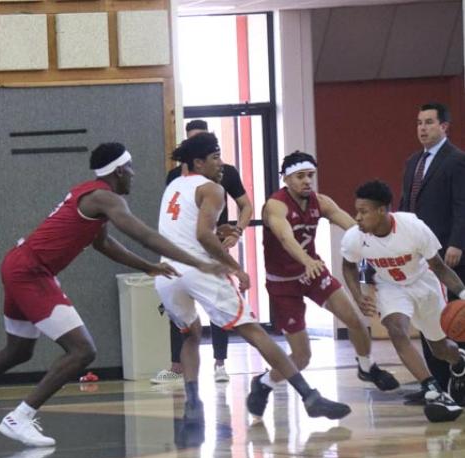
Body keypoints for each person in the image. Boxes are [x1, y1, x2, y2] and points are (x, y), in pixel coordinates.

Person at [0, 142, 224, 447]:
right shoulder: (105, 198)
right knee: (82, 350)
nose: (134, 174)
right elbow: (145, 234)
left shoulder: (91, 196)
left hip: (19, 264)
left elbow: (103, 244)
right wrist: (196, 261)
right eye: (130, 169)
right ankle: (19, 417)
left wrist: (147, 267)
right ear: (118, 171)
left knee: (19, 351)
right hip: (30, 272)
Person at [155, 132, 352, 424]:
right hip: (198, 269)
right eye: (215, 157)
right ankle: (308, 396)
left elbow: (185, 228)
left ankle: (193, 402)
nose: (221, 163)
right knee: (255, 332)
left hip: (167, 274)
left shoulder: (174, 185)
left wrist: (218, 235)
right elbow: (202, 235)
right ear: (198, 162)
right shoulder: (212, 189)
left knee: (191, 335)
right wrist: (235, 268)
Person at [246, 151, 399, 419]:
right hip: (284, 283)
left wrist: (376, 244)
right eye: (300, 176)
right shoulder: (275, 205)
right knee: (302, 357)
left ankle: (366, 366)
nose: (307, 181)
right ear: (286, 179)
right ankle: (263, 383)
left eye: (310, 176)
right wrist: (306, 259)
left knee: (354, 319)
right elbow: (285, 237)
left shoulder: (321, 201)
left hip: (313, 273)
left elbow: (352, 226)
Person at [342, 180, 465, 422]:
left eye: (363, 212)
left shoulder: (413, 227)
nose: (357, 217)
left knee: (441, 349)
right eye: (357, 211)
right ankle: (432, 389)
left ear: (381, 210)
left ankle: (460, 362)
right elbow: (348, 266)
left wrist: (462, 295)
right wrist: (358, 296)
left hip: (425, 282)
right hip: (391, 286)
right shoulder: (355, 237)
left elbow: (439, 267)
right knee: (396, 330)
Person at [151, 119, 253, 384]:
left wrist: (236, 232)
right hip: (186, 251)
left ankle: (220, 363)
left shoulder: (225, 173)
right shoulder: (176, 178)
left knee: (221, 310)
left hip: (212, 247)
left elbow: (246, 206)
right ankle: (178, 367)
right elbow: (182, 218)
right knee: (185, 321)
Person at [400, 102, 465, 397]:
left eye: (428, 122)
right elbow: (406, 207)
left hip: (448, 256)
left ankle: (459, 383)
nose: (422, 128)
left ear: (444, 127)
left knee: (456, 320)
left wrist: (456, 243)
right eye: (418, 122)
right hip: (418, 256)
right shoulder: (413, 161)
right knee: (428, 319)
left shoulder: (456, 160)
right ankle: (435, 385)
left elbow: (461, 204)